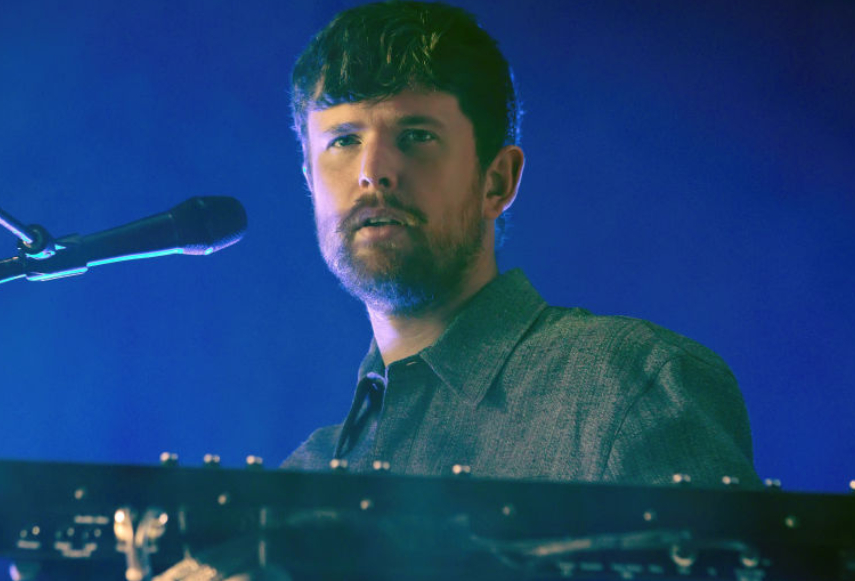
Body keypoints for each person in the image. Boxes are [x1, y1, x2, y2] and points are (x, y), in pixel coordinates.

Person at [280, 1, 759, 487]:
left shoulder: (630, 386)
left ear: (498, 181)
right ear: (310, 182)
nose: (372, 171)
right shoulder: (304, 475)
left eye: (417, 135)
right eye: (343, 140)